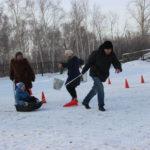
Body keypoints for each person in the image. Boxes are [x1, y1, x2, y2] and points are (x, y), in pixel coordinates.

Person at [82, 41, 122, 111]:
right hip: (94, 73)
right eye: (107, 49)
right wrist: (83, 71)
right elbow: (89, 63)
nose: (108, 51)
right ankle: (101, 105)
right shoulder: (96, 53)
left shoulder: (112, 54)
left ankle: (85, 101)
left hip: (103, 75)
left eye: (110, 49)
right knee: (100, 88)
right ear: (103, 48)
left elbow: (116, 62)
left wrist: (118, 67)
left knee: (95, 89)